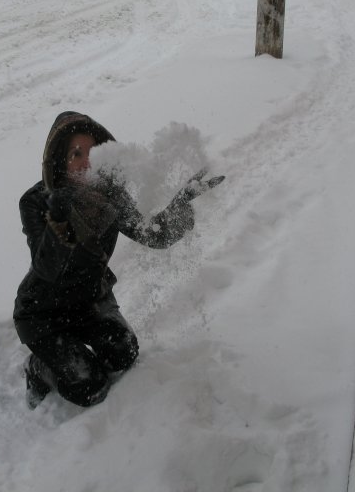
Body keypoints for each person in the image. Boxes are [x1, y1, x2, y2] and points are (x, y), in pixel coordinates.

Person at [14, 111, 223, 409]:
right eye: (76, 153)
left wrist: (178, 207)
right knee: (89, 386)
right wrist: (59, 220)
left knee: (124, 353)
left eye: (94, 152)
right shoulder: (36, 201)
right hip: (44, 312)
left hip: (90, 299)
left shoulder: (109, 194)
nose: (86, 161)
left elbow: (151, 235)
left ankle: (74, 346)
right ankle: (39, 367)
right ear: (59, 159)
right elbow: (46, 266)